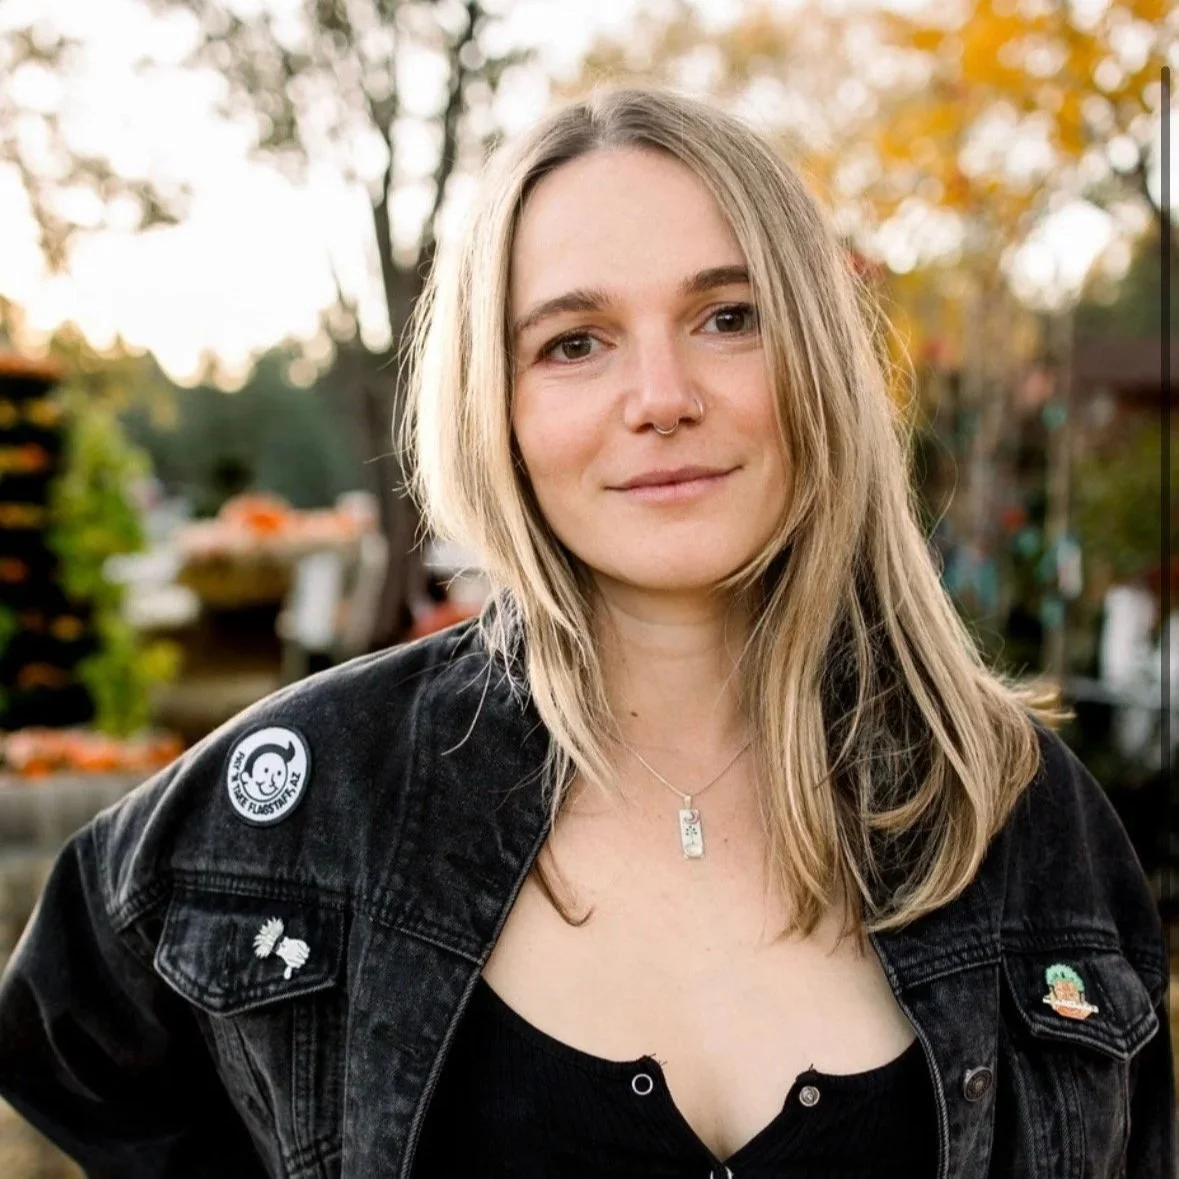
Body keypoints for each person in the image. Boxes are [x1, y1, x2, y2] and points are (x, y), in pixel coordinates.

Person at [0, 84, 1171, 1179]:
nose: (660, 395)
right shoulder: (307, 797)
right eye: (574, 342)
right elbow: (68, 1045)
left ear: (819, 358)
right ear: (495, 404)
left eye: (728, 317)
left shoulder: (1023, 814)